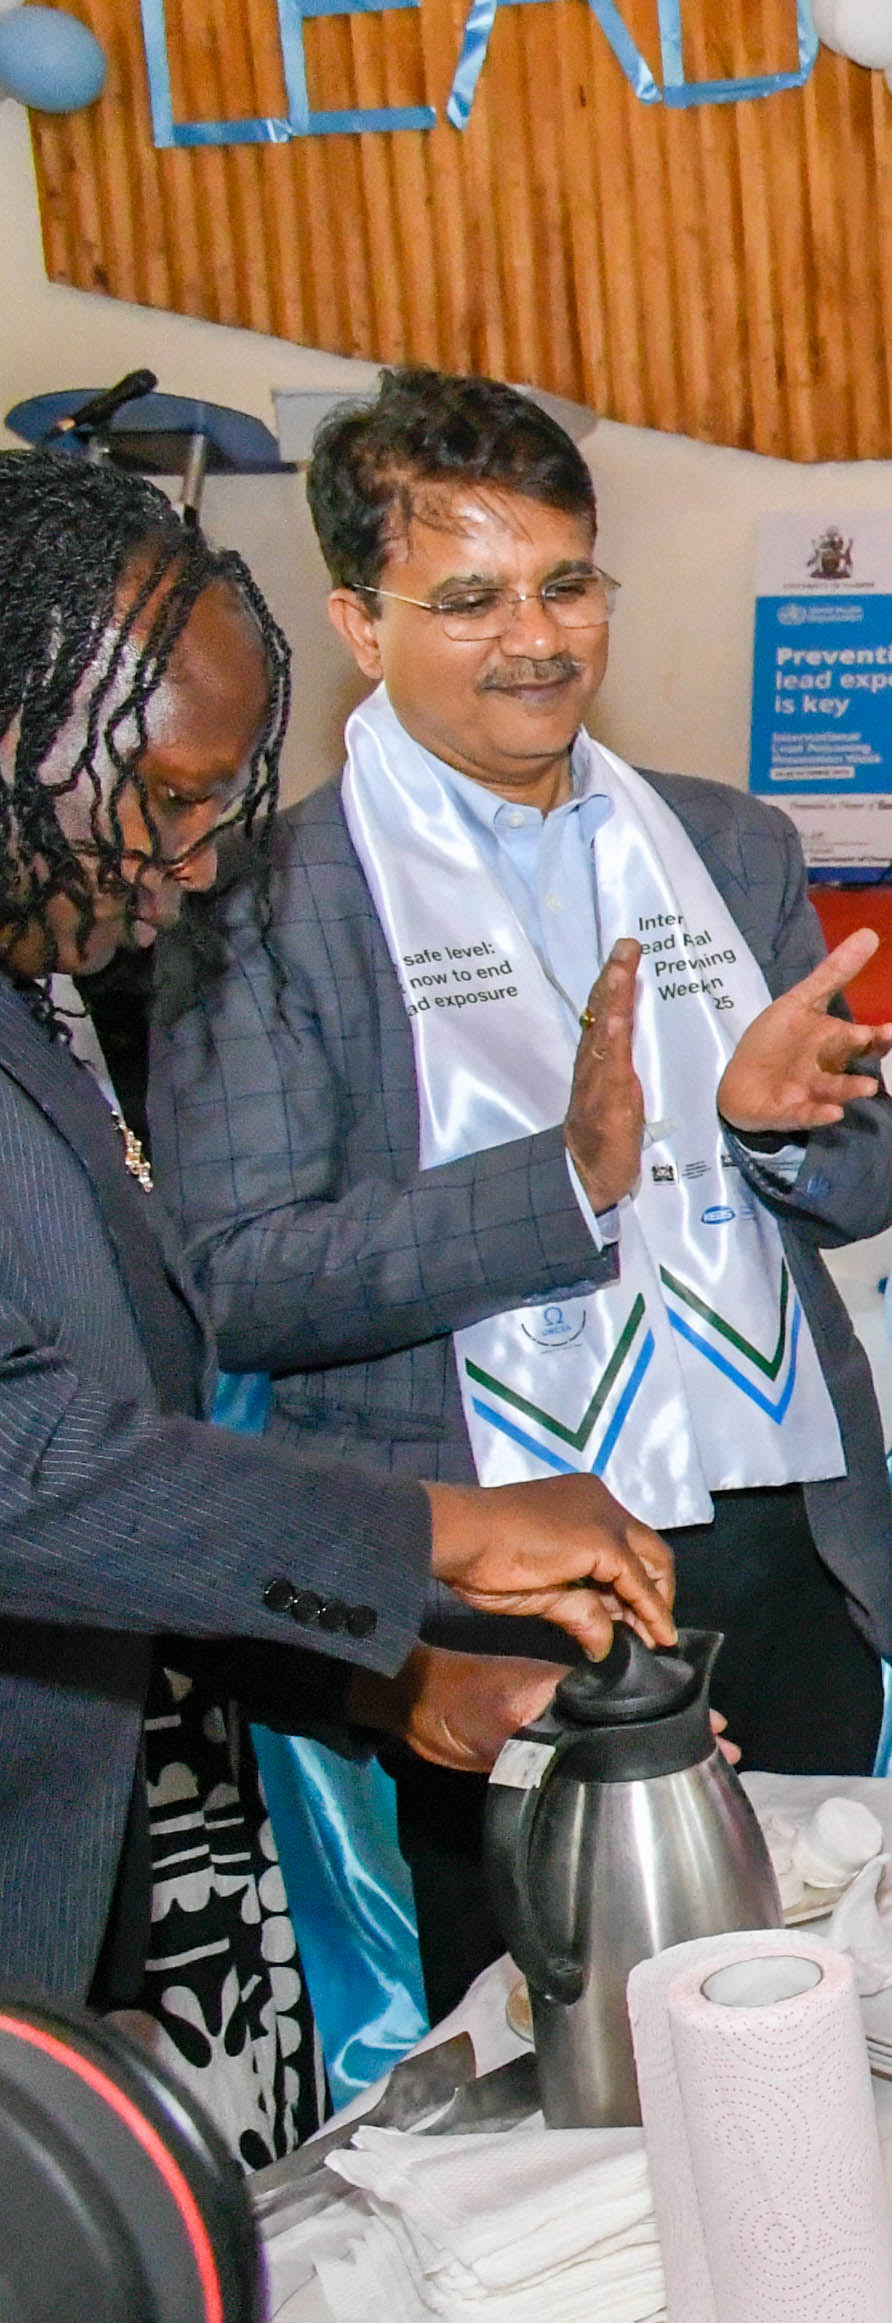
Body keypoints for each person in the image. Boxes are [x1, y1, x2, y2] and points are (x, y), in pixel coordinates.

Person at [153, 369, 892, 2021]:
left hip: (780, 1559)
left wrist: (791, 1129)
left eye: (567, 583)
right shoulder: (269, 900)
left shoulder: (729, 841)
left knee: (818, 2031)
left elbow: (863, 1182)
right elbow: (245, 1275)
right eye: (471, 597)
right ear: (358, 619)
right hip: (509, 1590)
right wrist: (559, 1183)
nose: (539, 640)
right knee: (562, 2086)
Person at [0, 453, 677, 2099]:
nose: (202, 859)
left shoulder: (55, 996)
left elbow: (120, 1504)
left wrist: (407, 1678)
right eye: (165, 796)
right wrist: (443, 1529)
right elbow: (25, 1466)